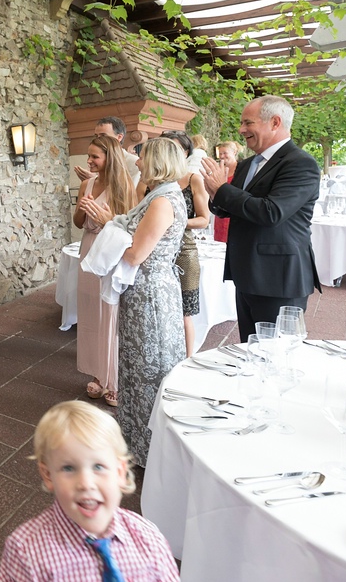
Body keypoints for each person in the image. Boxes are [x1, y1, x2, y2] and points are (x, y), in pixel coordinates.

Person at [83, 138, 187, 467]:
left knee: (148, 367)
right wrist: (114, 221)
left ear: (156, 162)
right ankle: (135, 438)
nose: (137, 163)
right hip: (143, 288)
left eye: (142, 159)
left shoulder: (162, 202)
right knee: (136, 364)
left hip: (151, 294)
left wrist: (108, 226)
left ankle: (150, 448)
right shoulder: (157, 194)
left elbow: (136, 253)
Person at [0, 400, 179, 582]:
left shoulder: (147, 537)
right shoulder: (25, 551)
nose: (86, 483)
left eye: (98, 466)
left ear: (120, 473)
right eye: (68, 468)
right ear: (48, 475)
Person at [201, 96, 321, 340]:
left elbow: (271, 212)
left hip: (278, 277)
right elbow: (230, 209)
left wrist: (223, 190)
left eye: (248, 123)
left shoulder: (300, 164)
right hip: (247, 272)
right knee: (250, 347)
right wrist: (214, 194)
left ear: (275, 122)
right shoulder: (247, 164)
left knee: (276, 353)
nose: (241, 129)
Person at [73, 135, 137, 408]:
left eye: (94, 156)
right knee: (90, 314)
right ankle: (98, 374)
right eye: (89, 156)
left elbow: (130, 227)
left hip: (108, 251)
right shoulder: (87, 183)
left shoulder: (123, 185)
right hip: (88, 248)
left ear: (109, 157)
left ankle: (114, 379)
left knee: (109, 314)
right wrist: (82, 208)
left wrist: (105, 218)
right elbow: (78, 223)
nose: (89, 161)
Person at [163, 130, 211, 358]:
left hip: (184, 251)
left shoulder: (193, 179)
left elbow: (204, 219)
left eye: (175, 148)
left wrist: (172, 223)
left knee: (185, 313)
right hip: (155, 253)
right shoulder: (149, 180)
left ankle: (187, 360)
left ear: (186, 152)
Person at [75, 116, 140, 188]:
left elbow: (131, 193)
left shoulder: (133, 162)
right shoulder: (95, 160)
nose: (98, 139)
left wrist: (96, 180)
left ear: (119, 137)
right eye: (96, 136)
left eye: (103, 136)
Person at [212, 141, 240, 243]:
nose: (222, 156)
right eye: (220, 153)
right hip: (220, 213)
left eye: (225, 153)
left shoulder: (241, 169)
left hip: (234, 212)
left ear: (234, 152)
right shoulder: (219, 170)